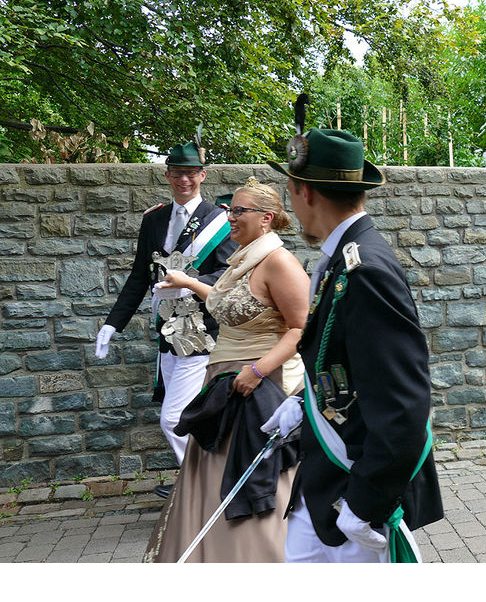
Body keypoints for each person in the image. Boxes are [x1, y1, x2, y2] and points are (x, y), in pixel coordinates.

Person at [262, 122, 444, 563]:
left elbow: (404, 404)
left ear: (304, 191)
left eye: (289, 189)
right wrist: (306, 401)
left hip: (355, 491)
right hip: (322, 480)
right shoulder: (343, 259)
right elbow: (346, 360)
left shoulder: (366, 271)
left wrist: (365, 503)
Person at [143, 177, 310, 562]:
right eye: (228, 209)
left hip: (261, 384)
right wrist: (187, 282)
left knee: (255, 473)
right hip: (226, 382)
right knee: (214, 472)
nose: (229, 217)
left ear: (266, 218)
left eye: (237, 211)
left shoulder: (279, 262)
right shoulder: (242, 260)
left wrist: (257, 370)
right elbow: (223, 301)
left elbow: (302, 328)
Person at [95, 141, 234, 477]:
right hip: (167, 333)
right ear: (167, 174)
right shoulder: (155, 219)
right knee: (188, 416)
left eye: (190, 173)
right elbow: (139, 276)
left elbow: (230, 272)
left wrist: (186, 280)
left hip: (202, 332)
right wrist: (113, 324)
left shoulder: (219, 220)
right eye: (176, 173)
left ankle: (204, 485)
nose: (183, 180)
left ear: (202, 175)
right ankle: (200, 489)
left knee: (174, 419)